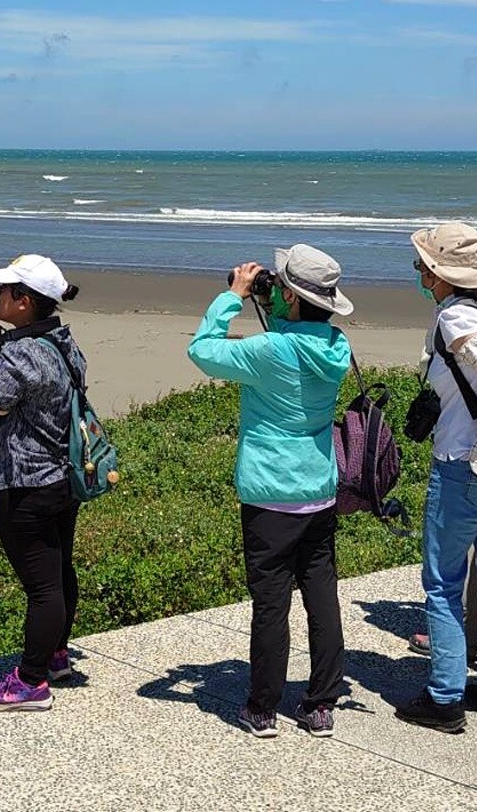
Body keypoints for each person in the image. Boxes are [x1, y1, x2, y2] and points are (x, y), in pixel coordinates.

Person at [187, 244, 353, 738]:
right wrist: (275, 305)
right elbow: (294, 340)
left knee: (271, 603)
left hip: (270, 495)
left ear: (295, 299)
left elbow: (203, 351)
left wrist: (231, 297)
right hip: (319, 489)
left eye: (282, 287)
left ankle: (262, 708)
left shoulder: (269, 351)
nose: (274, 291)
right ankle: (320, 704)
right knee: (322, 598)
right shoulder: (335, 346)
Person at [397, 223, 477, 733]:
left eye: (422, 266)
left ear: (438, 272)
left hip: (467, 466)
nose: (419, 274)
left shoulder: (456, 317)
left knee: (443, 583)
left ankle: (446, 698)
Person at [0, 254, 85, 711]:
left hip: (26, 484)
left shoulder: (21, 353)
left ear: (24, 302)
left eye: (4, 291)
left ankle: (29, 683)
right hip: (62, 478)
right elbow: (31, 388)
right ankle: (55, 657)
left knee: (41, 586)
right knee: (59, 571)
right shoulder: (60, 340)